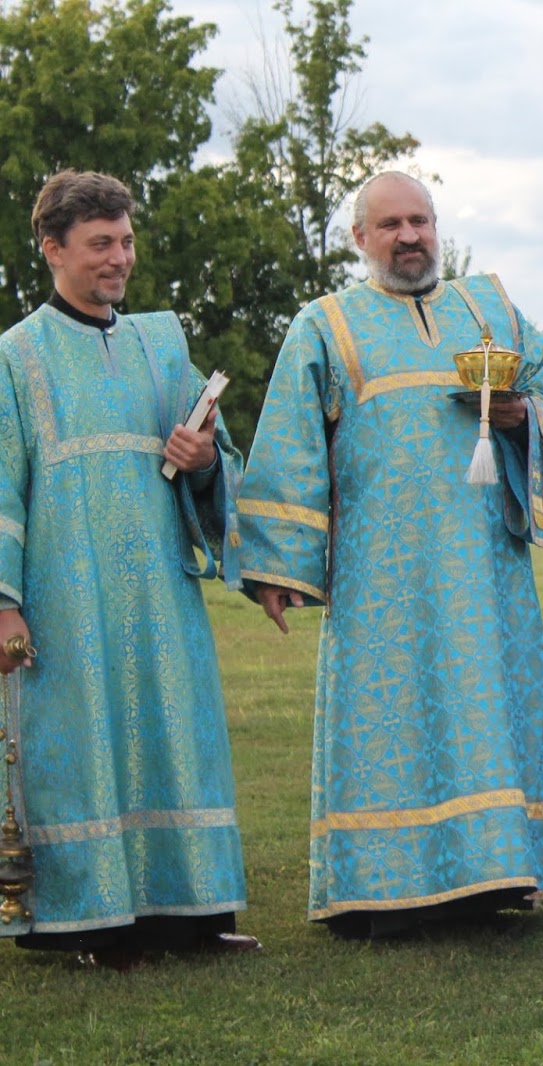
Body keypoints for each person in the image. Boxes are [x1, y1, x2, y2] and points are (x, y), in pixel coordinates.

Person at [237, 172, 543, 938]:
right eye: (390, 224)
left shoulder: (489, 309)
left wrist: (521, 416)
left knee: (485, 709)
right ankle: (380, 889)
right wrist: (279, 564)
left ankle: (497, 876)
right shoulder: (325, 326)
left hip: (484, 566)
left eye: (420, 220)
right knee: (390, 720)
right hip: (378, 575)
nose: (410, 236)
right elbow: (289, 444)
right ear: (360, 238)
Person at [0, 170, 257, 967]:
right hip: (63, 595)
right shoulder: (15, 355)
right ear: (53, 249)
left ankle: (192, 915)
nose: (120, 259)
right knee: (82, 749)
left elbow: (209, 455)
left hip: (160, 591)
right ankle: (87, 921)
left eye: (127, 242)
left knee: (175, 737)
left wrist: (205, 455)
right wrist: (4, 604)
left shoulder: (161, 340)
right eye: (101, 244)